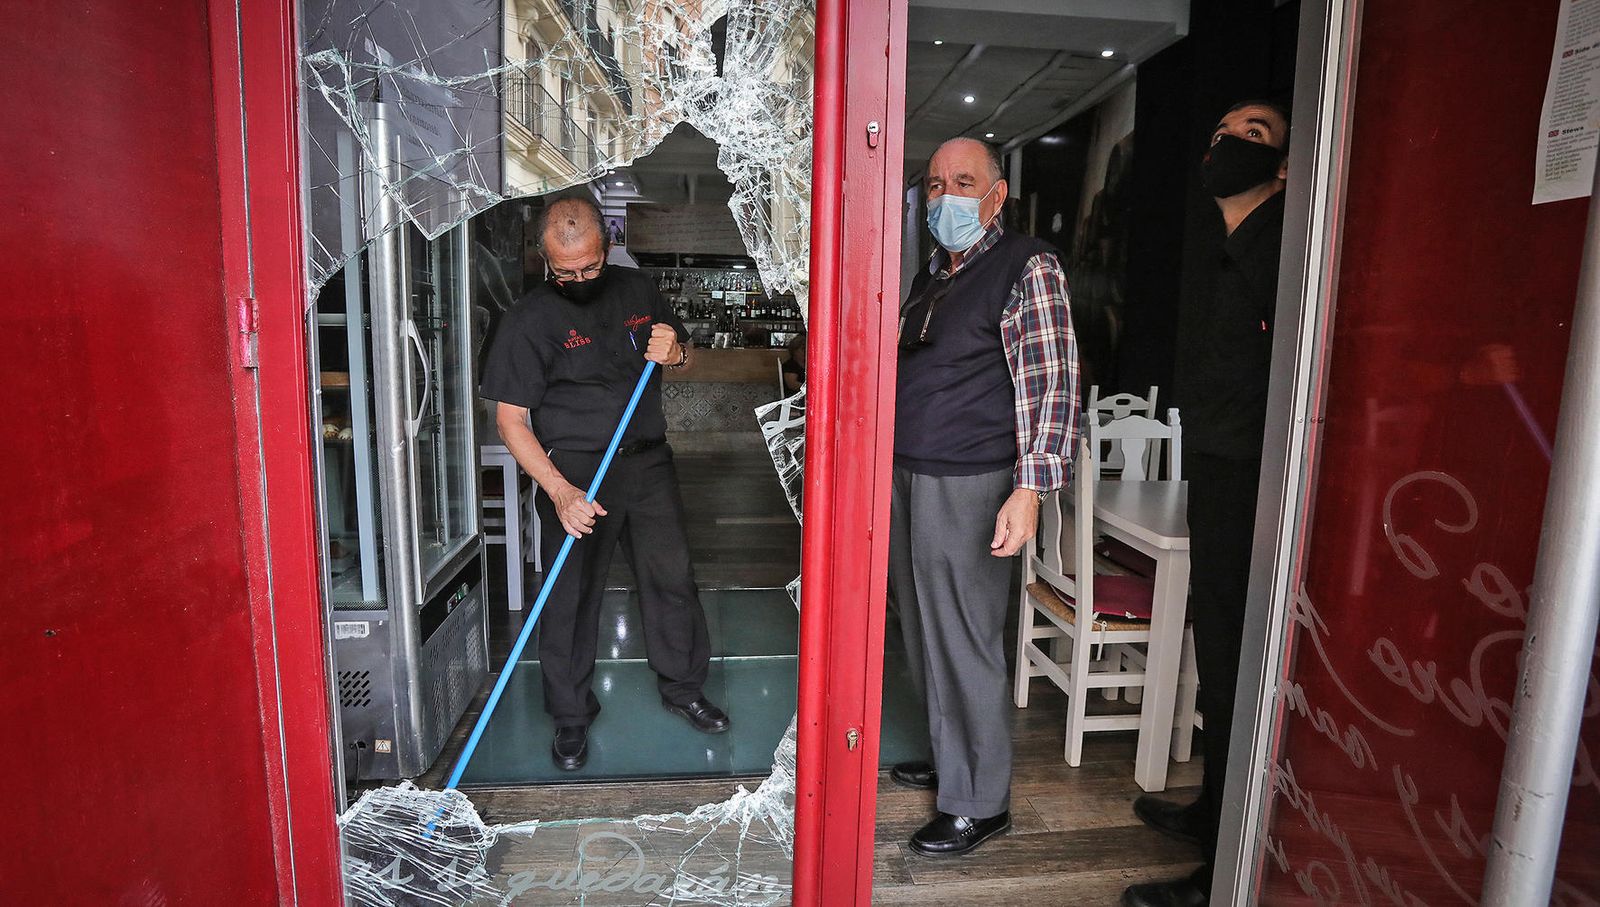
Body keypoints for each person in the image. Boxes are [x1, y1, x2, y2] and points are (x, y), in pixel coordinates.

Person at [479, 196, 730, 772]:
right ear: (546, 259)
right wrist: (560, 492)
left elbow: (682, 354)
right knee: (570, 596)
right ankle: (570, 714)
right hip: (573, 471)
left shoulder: (638, 291)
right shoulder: (528, 320)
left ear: (607, 246)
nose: (579, 279)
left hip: (646, 464)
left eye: (589, 267)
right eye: (564, 272)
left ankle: (684, 689)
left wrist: (678, 352)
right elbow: (510, 421)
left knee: (671, 580)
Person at [888, 137, 1080, 857]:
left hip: (970, 479)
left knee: (965, 637)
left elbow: (1051, 381)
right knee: (923, 632)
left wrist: (1029, 488)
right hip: (913, 471)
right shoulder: (934, 273)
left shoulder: (1028, 265)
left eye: (963, 182)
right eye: (935, 184)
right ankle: (951, 757)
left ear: (996, 195)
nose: (946, 196)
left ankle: (979, 801)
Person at [1122, 99, 1290, 907]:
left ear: (1285, 167)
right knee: (1215, 652)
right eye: (1222, 129)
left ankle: (1224, 867)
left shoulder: (1285, 245)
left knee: (1236, 658)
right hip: (1217, 466)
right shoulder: (1227, 245)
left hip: (1258, 479)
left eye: (1254, 134)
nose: (1228, 139)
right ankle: (1214, 812)